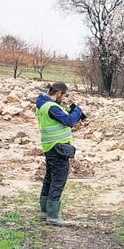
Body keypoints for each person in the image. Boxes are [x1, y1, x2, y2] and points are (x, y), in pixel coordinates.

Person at [35, 82, 84, 226]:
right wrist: (78, 111)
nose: (62, 99)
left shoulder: (42, 105)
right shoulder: (52, 107)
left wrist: (69, 111)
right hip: (58, 148)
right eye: (63, 95)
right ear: (58, 93)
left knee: (49, 178)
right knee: (58, 180)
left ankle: (44, 211)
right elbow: (69, 121)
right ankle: (53, 216)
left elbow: (59, 119)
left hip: (49, 147)